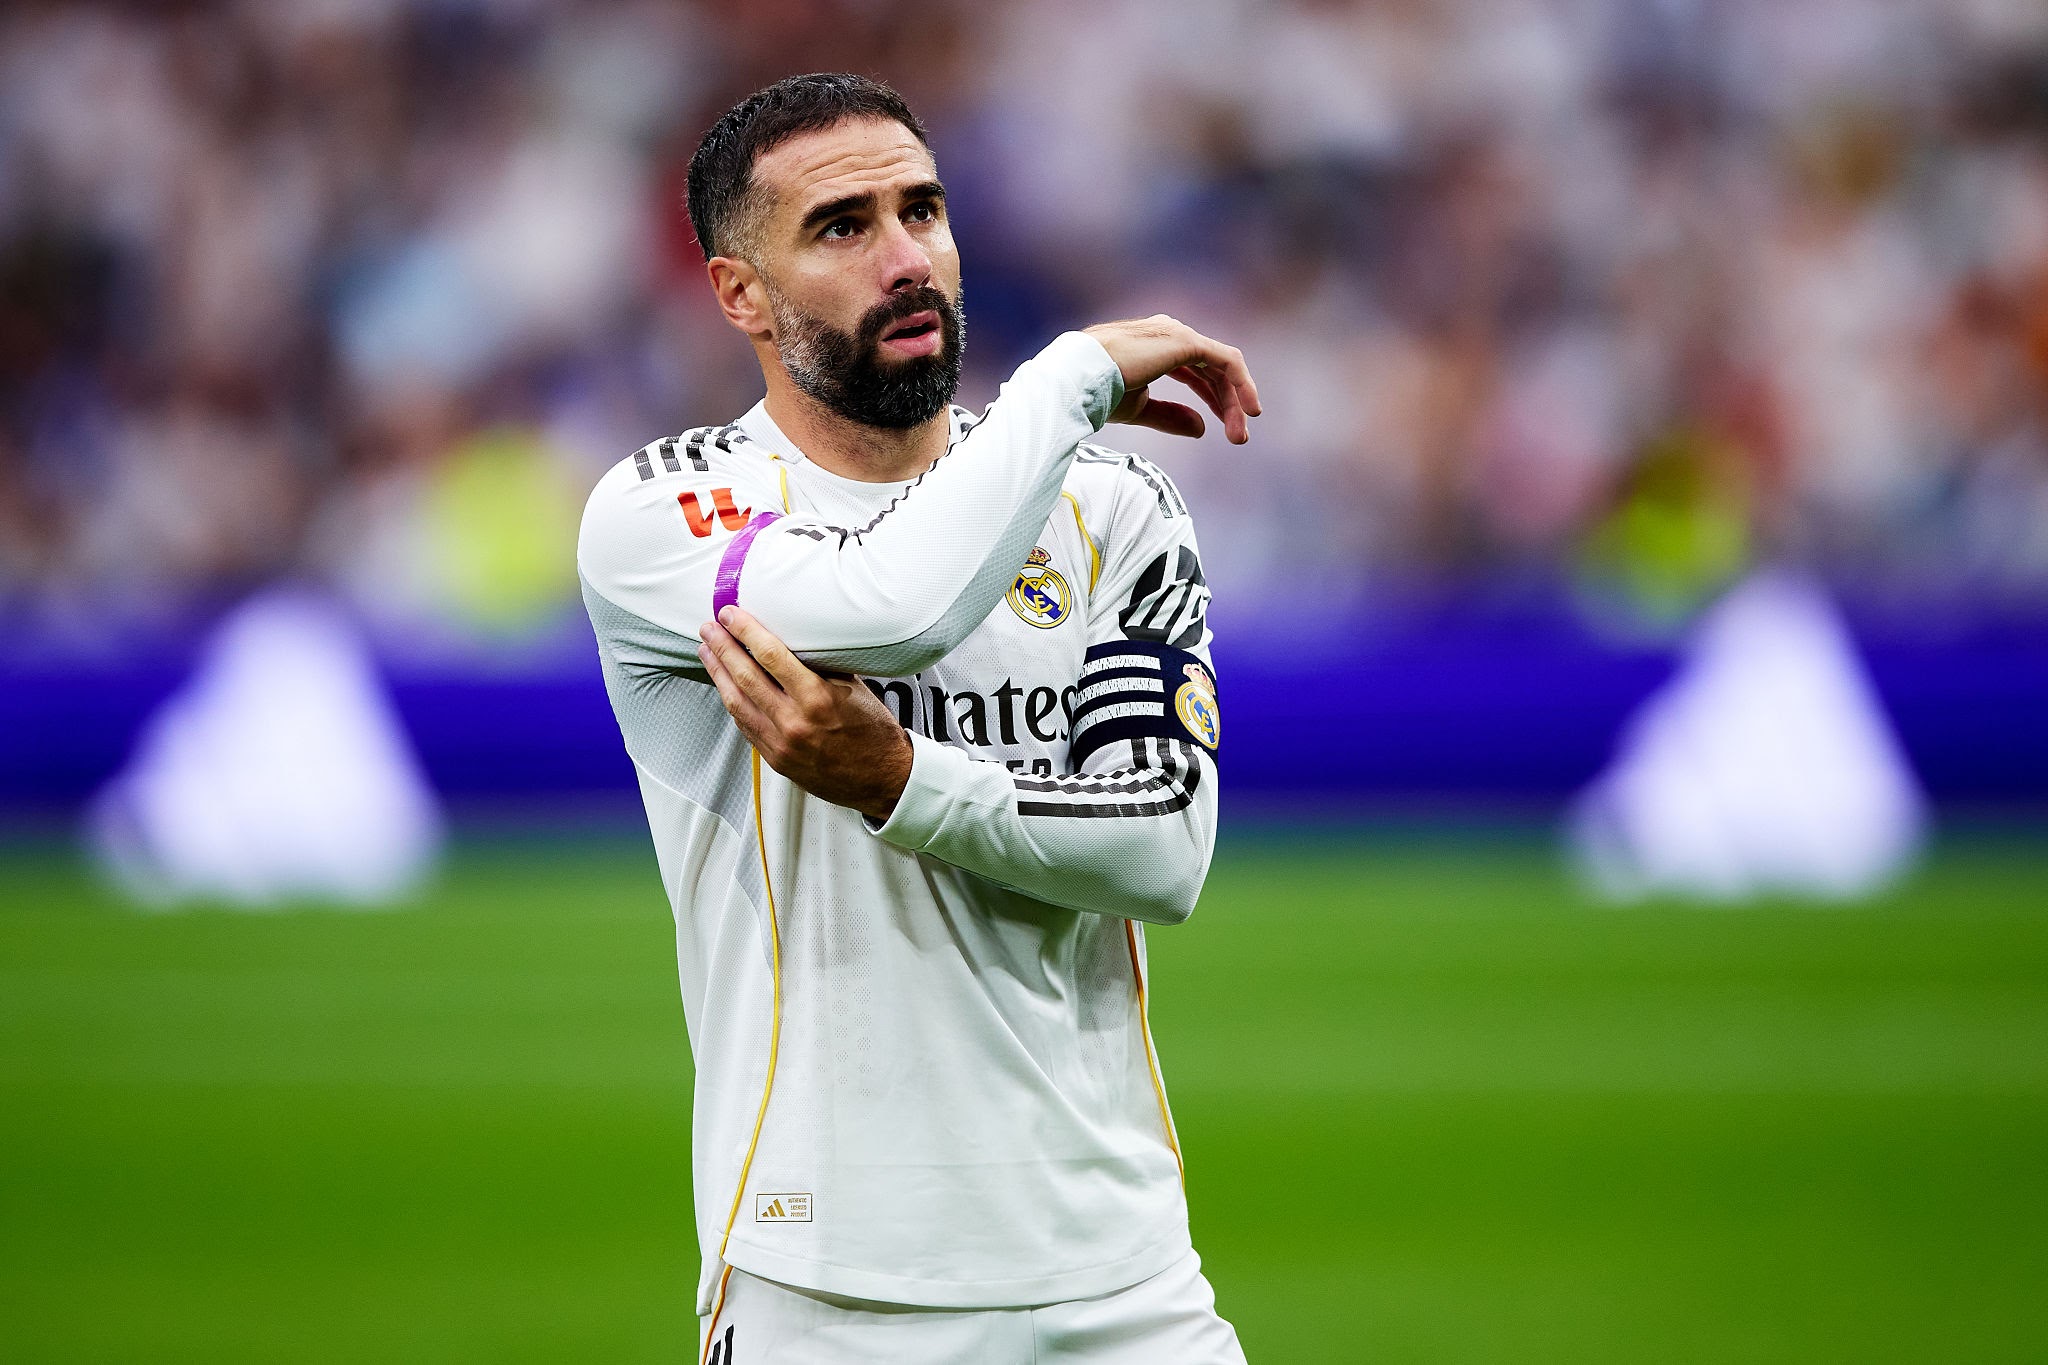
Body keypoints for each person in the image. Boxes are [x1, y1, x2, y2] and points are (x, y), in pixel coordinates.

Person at [577, 72, 1259, 1364]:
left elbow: (1163, 851)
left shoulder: (1112, 507)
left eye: (923, 211)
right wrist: (1076, 376)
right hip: (829, 1290)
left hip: (1123, 1286)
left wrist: (899, 776)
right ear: (740, 294)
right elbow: (897, 606)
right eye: (841, 227)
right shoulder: (672, 513)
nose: (906, 258)